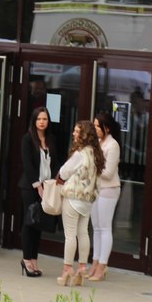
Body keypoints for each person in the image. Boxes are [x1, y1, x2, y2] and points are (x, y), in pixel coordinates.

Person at [56, 120, 104, 287]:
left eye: (77, 132)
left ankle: (67, 270)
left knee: (70, 235)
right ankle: (82, 267)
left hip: (73, 196)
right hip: (87, 200)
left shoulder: (80, 154)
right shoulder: (96, 154)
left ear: (84, 135)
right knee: (83, 232)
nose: (74, 134)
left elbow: (63, 171)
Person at [18, 108, 60, 277]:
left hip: (48, 186)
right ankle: (26, 259)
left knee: (39, 224)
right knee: (29, 222)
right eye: (39, 119)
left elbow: (56, 163)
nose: (42, 122)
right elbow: (28, 165)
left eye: (45, 119)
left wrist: (55, 183)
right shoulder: (27, 139)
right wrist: (38, 186)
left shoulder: (51, 139)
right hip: (30, 187)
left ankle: (34, 259)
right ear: (34, 121)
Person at [88, 112, 121, 282]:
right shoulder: (98, 143)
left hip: (108, 189)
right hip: (96, 188)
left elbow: (108, 173)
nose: (94, 129)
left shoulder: (112, 145)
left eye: (97, 126)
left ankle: (102, 265)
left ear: (106, 128)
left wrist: (91, 168)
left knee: (105, 227)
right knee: (97, 228)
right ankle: (94, 263)